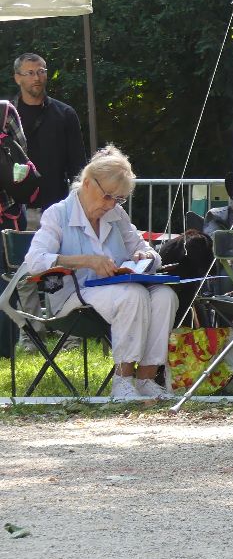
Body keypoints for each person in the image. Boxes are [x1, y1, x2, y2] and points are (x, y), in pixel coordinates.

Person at [22, 145, 178, 400]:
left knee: (164, 296)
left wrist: (145, 256)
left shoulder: (116, 214)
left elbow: (149, 250)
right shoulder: (58, 214)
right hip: (72, 298)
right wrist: (87, 261)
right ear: (86, 183)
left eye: (118, 199)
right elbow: (35, 262)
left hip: (116, 294)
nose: (110, 205)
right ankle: (122, 382)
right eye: (107, 196)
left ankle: (146, 379)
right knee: (133, 294)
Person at [12, 53, 87, 229]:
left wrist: (79, 207)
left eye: (41, 71)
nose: (36, 78)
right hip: (14, 209)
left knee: (57, 257)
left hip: (56, 207)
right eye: (29, 73)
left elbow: (78, 165)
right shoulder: (6, 115)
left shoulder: (65, 114)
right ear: (17, 78)